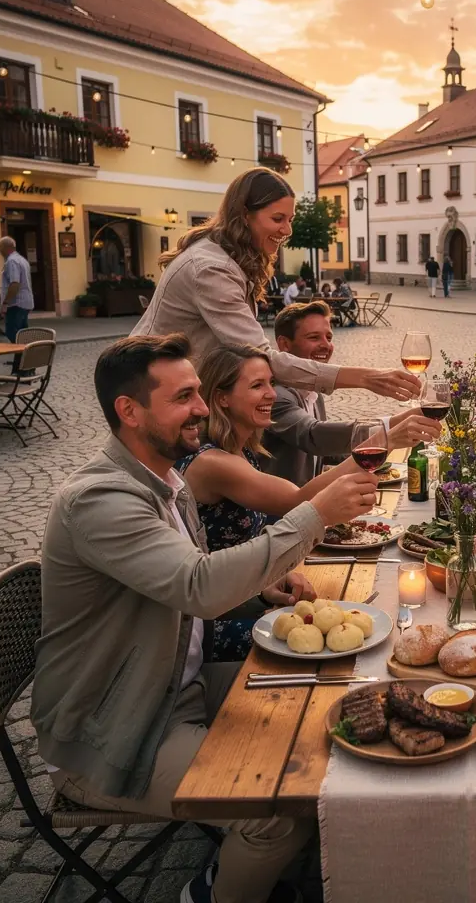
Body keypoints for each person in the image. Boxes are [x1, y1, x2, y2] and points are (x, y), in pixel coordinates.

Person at [32, 333, 379, 903]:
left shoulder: (165, 480)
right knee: (278, 812)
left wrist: (267, 586)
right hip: (118, 729)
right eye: (183, 397)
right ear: (129, 410)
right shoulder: (100, 500)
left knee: (327, 705)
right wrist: (315, 515)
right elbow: (199, 587)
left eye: (198, 392)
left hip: (177, 686)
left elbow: (193, 568)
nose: (200, 408)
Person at [176, 344, 389, 660]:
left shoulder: (241, 449)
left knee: (349, 626)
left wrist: (267, 585)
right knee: (343, 647)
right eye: (257, 385)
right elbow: (297, 501)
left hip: (246, 597)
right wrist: (385, 439)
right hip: (213, 627)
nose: (272, 394)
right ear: (222, 397)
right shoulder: (212, 462)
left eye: (271, 383)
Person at [133, 168, 419, 403]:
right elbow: (260, 358)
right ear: (245, 215)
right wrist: (366, 377)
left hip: (176, 391)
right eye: (278, 219)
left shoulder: (225, 257)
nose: (287, 230)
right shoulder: (211, 268)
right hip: (151, 394)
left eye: (290, 219)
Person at [263, 302, 442, 485]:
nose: (326, 346)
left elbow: (326, 453)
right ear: (284, 344)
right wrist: (393, 428)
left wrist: (380, 459)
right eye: (314, 337)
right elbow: (314, 436)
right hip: (282, 510)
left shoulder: (313, 394)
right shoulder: (275, 395)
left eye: (329, 338)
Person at [0, 236, 34, 367]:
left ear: (6, 248)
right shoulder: (22, 260)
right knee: (22, 334)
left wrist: (5, 303)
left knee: (13, 334)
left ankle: (27, 359)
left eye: (0, 248)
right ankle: (22, 364)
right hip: (25, 302)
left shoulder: (12, 262)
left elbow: (14, 284)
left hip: (16, 303)